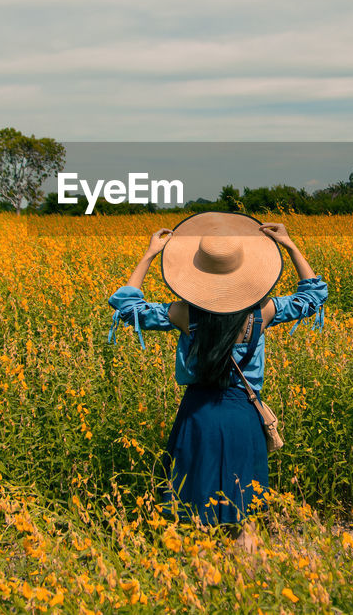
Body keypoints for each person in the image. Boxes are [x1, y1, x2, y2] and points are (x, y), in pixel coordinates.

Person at [107, 211, 327, 552]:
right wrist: (291, 246)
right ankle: (246, 576)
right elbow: (312, 297)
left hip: (198, 415)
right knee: (246, 505)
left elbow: (127, 307)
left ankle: (198, 571)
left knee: (193, 497)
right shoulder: (263, 311)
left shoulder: (184, 314)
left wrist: (149, 255)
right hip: (244, 415)